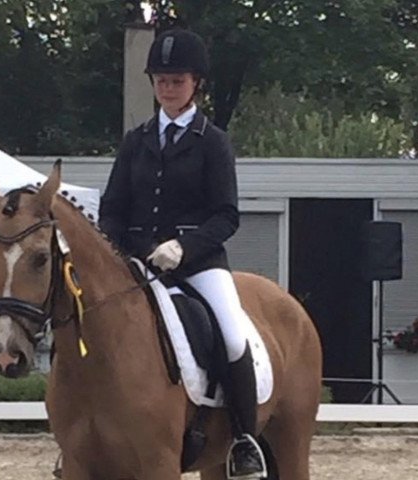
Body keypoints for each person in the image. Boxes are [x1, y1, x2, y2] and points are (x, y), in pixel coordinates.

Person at [99, 28, 265, 478]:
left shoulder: (213, 142)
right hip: (136, 264)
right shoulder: (136, 141)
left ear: (196, 85)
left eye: (177, 81)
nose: (168, 89)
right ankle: (83, 436)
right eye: (161, 81)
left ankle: (245, 439)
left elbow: (226, 215)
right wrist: (121, 251)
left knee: (232, 336)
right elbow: (112, 209)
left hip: (197, 266)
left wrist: (184, 247)